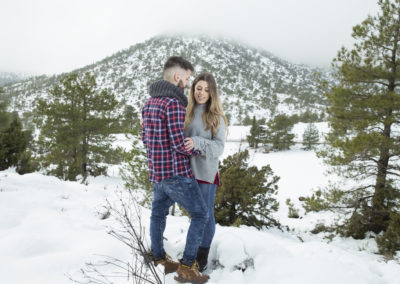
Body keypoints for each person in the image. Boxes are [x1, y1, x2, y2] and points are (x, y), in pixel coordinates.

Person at [141, 56, 210, 283]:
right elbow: (179, 143)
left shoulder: (148, 104)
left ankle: (159, 258)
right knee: (200, 214)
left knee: (157, 214)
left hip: (157, 173)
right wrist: (199, 151)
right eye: (188, 78)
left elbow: (145, 139)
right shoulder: (174, 104)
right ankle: (187, 267)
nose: (188, 84)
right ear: (178, 76)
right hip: (176, 174)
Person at [183, 72, 228, 272]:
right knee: (195, 215)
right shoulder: (186, 112)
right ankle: (191, 253)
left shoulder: (216, 117)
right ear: (193, 89)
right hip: (186, 172)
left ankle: (201, 257)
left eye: (206, 90)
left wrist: (198, 142)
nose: (202, 93)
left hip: (206, 174)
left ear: (212, 93)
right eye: (198, 88)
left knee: (205, 215)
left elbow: (219, 148)